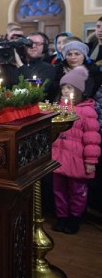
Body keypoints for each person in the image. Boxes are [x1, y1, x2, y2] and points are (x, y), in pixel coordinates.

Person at [51, 66, 100, 234]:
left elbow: (92, 140)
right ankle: (62, 217)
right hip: (58, 158)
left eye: (69, 87)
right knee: (59, 190)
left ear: (78, 90)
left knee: (77, 191)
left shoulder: (87, 111)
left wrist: (91, 162)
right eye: (63, 87)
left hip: (77, 160)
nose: (65, 91)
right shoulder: (58, 108)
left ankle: (74, 218)